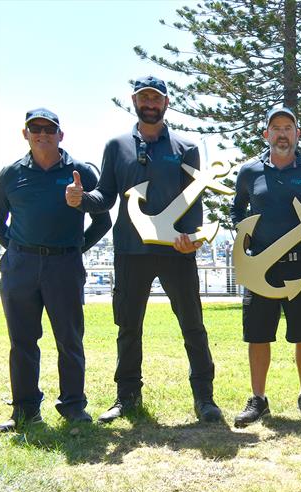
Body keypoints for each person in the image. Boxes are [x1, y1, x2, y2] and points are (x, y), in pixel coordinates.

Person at [66, 76, 222, 423]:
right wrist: (80, 201)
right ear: (134, 101)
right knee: (128, 327)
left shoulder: (186, 148)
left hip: (176, 251)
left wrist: (191, 236)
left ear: (166, 103)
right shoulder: (116, 146)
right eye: (144, 97)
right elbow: (105, 196)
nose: (150, 102)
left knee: (193, 325)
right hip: (129, 251)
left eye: (156, 97)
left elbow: (195, 200)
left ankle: (205, 399)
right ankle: (127, 398)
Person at [0, 108, 111, 432]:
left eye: (49, 129)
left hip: (64, 265)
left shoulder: (80, 171)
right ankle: (25, 410)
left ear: (61, 135)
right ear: (25, 134)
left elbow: (103, 217)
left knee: (69, 339)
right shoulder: (10, 174)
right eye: (36, 129)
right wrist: (15, 248)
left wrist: (76, 248)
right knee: (22, 341)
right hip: (21, 268)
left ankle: (73, 406)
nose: (42, 134)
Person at [230, 106, 301, 426]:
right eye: (275, 127)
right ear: (266, 134)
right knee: (258, 335)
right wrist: (243, 236)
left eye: (288, 127)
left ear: (297, 134)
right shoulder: (249, 173)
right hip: (260, 267)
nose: (281, 133)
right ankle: (258, 399)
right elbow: (237, 212)